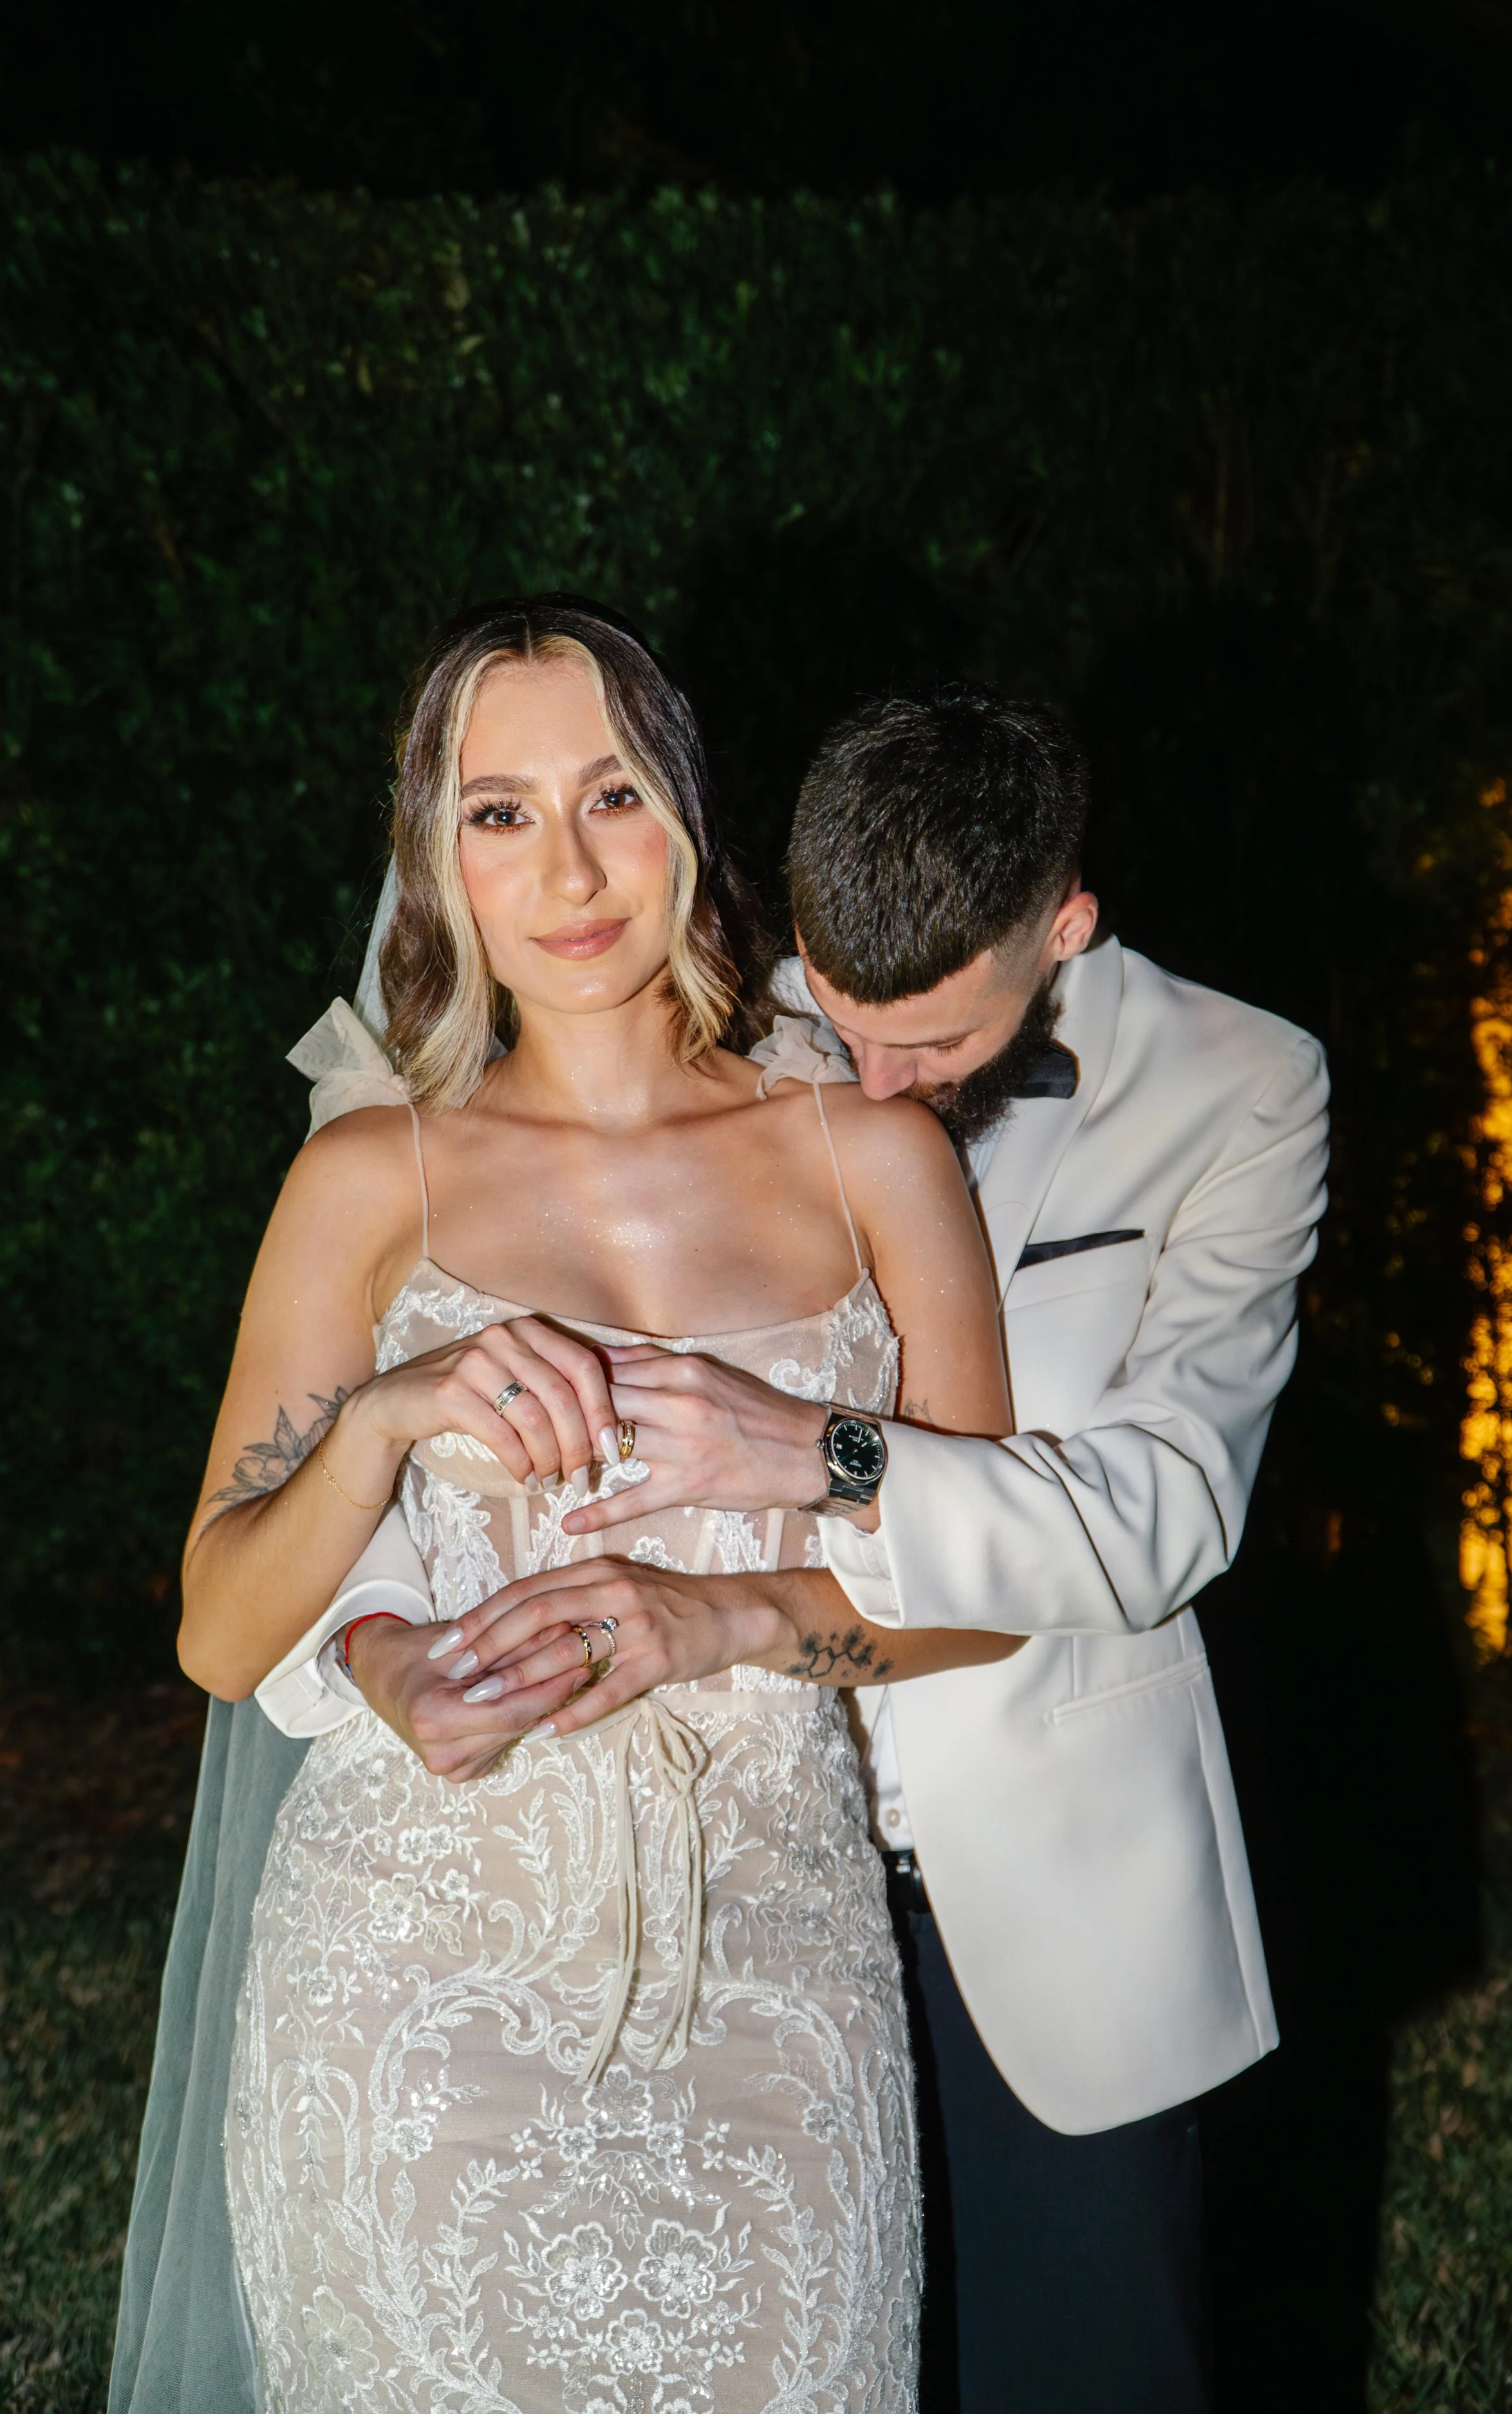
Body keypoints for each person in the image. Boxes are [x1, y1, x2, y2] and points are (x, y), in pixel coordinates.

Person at [375, 684, 1330, 2411]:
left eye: (933, 1050)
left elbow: (1165, 1514)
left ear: (1064, 924)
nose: (873, 1082)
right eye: (842, 1018)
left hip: (1041, 1895)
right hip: (719, 1899)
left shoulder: (1241, 1087)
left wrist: (817, 1450)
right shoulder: (720, 997)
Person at [120, 598, 1016, 2414]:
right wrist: (380, 1416)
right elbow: (221, 1628)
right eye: (498, 810)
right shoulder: (373, 1181)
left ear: (687, 811)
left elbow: (988, 1584)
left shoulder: (874, 1162)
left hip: (771, 1959)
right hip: (417, 1986)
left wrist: (738, 1618)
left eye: (609, 792)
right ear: (434, 860)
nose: (567, 866)